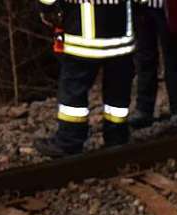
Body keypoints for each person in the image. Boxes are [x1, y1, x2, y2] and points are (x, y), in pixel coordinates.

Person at [35, 0, 136, 158]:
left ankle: (69, 141)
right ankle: (117, 138)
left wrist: (46, 8)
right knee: (118, 94)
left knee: (73, 92)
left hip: (82, 39)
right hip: (121, 39)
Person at [131, 0, 177, 128]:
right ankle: (144, 109)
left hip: (167, 8)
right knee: (145, 58)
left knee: (172, 58)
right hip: (142, 8)